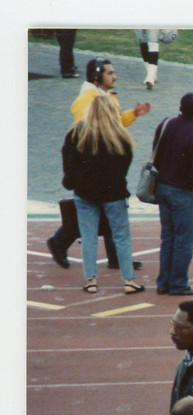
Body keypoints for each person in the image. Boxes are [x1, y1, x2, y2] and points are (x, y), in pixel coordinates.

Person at [47, 57, 150, 272]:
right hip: (94, 163)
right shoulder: (89, 99)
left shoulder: (103, 96)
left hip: (100, 162)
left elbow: (113, 123)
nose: (115, 76)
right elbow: (90, 129)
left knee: (103, 208)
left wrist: (133, 114)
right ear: (97, 76)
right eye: (110, 73)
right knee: (101, 208)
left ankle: (113, 256)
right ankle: (61, 242)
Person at [61, 94, 143, 296]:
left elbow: (68, 160)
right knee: (121, 236)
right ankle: (129, 280)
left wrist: (72, 181)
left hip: (85, 193)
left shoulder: (78, 133)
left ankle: (91, 281)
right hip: (113, 193)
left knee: (88, 237)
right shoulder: (120, 136)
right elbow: (124, 165)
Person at [152, 93, 193, 296]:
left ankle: (163, 282)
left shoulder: (166, 125)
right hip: (184, 192)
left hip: (162, 187)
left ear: (180, 107)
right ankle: (178, 284)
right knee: (184, 240)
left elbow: (155, 153)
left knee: (168, 237)